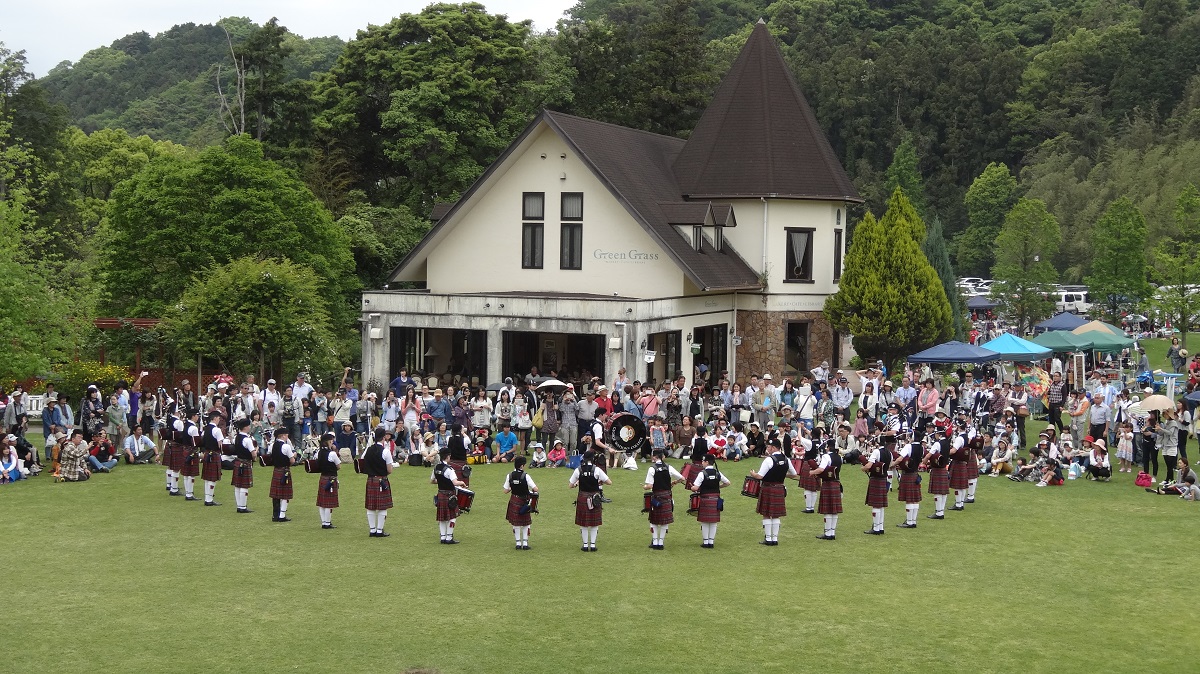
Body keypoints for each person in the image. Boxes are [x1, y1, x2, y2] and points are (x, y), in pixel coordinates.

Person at [749, 439, 798, 546]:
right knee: (776, 515)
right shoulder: (786, 459)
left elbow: (760, 476)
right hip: (779, 488)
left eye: (768, 447)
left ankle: (768, 539)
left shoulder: (769, 460)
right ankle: (774, 539)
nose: (767, 449)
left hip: (768, 488)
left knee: (766, 514)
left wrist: (753, 474)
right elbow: (794, 474)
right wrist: (784, 475)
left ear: (774, 448)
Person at [568, 449, 612, 552]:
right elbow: (609, 482)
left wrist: (577, 483)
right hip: (594, 498)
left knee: (583, 523)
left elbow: (570, 485)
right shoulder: (597, 470)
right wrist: (599, 481)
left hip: (582, 497)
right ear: (592, 459)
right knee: (594, 523)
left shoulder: (578, 470)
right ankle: (592, 545)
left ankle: (584, 545)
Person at [643, 449, 685, 550]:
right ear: (662, 457)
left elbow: (649, 486)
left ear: (654, 457)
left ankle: (655, 542)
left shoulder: (652, 468)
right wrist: (674, 482)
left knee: (653, 520)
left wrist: (644, 487)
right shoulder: (668, 467)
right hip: (667, 496)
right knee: (664, 521)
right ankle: (660, 543)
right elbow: (683, 478)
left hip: (657, 496)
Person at [690, 452, 730, 548]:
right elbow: (728, 483)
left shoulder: (702, 473)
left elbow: (695, 488)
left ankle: (706, 541)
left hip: (705, 499)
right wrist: (719, 486)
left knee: (704, 521)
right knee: (713, 522)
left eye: (703, 461)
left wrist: (692, 488)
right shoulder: (717, 473)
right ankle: (711, 542)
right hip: (715, 499)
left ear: (707, 462)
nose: (702, 463)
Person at [363, 428, 395, 537]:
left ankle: (372, 530)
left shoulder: (368, 449)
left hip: (371, 480)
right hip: (382, 480)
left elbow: (362, 462)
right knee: (382, 507)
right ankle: (379, 530)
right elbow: (390, 469)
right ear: (383, 437)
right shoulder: (385, 451)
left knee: (371, 506)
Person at [502, 455, 539, 550]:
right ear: (522, 466)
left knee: (516, 523)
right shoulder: (526, 476)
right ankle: (525, 543)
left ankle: (518, 543)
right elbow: (535, 489)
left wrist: (512, 486)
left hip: (514, 500)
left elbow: (505, 491)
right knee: (526, 523)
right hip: (524, 501)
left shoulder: (509, 475)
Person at [810, 437, 843, 540]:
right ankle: (832, 532)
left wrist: (812, 472)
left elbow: (821, 469)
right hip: (836, 483)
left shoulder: (826, 457)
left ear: (828, 447)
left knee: (828, 510)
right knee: (834, 510)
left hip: (828, 484)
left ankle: (828, 533)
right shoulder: (839, 457)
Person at [432, 446, 467, 544]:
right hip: (449, 495)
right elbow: (455, 482)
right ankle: (449, 538)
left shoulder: (436, 467)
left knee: (442, 517)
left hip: (440, 494)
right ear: (448, 456)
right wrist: (462, 483)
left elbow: (432, 480)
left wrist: (441, 481)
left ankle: (443, 537)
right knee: (452, 517)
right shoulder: (449, 469)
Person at [862, 434, 893, 535]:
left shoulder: (876, 451)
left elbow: (869, 465)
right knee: (881, 505)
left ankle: (875, 529)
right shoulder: (889, 453)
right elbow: (889, 466)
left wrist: (863, 468)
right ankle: (880, 527)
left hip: (876, 479)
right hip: (884, 478)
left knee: (876, 505)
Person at [892, 435, 923, 528]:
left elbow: (900, 458)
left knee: (909, 500)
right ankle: (913, 521)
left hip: (908, 474)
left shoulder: (909, 446)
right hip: (915, 473)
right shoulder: (921, 447)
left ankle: (909, 522)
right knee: (915, 500)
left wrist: (892, 464)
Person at [228, 418, 257, 514]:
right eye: (249, 426)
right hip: (245, 463)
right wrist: (256, 449)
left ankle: (239, 506)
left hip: (237, 462)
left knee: (237, 485)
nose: (249, 427)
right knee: (244, 485)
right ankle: (243, 507)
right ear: (246, 427)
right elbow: (254, 454)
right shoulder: (247, 439)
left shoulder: (237, 437)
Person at [269, 426, 296, 522]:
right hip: (284, 471)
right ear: (283, 436)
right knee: (285, 494)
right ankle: (282, 515)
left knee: (276, 495)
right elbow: (292, 460)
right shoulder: (286, 446)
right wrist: (293, 456)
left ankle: (275, 515)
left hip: (276, 470)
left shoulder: (273, 445)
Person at [922, 432, 951, 519]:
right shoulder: (947, 443)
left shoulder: (937, 444)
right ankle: (941, 511)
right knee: (943, 492)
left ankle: (939, 513)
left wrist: (924, 461)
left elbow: (929, 455)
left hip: (937, 469)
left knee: (937, 492)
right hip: (944, 469)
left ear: (939, 434)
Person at [315, 432, 341, 529]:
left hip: (323, 478)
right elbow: (338, 466)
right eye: (331, 441)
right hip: (331, 479)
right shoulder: (332, 454)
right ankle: (327, 523)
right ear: (328, 442)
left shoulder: (319, 453)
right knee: (328, 502)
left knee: (322, 502)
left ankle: (324, 522)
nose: (332, 443)